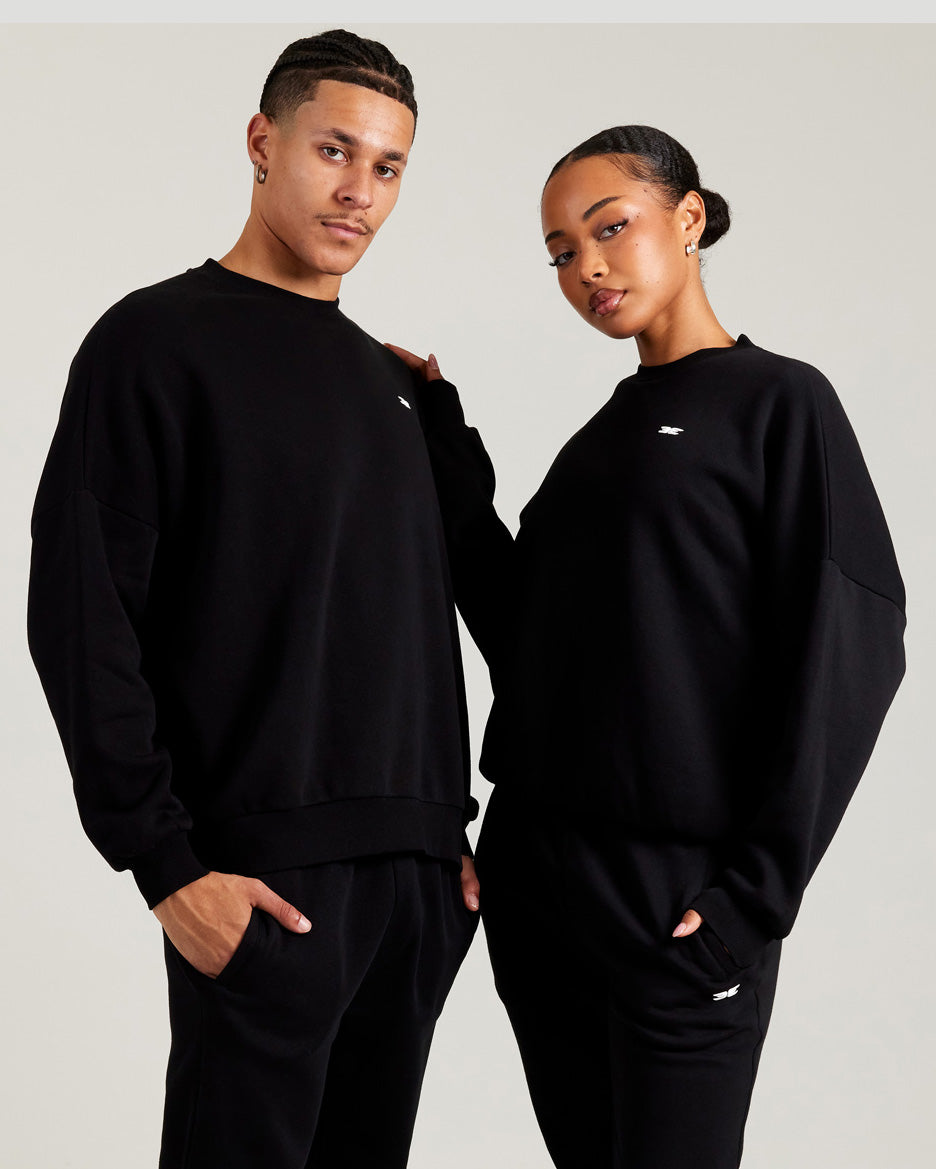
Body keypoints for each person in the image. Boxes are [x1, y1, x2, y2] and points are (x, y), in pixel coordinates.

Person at [390, 124, 906, 1169]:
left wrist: (752, 900)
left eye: (609, 228)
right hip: (540, 883)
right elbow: (528, 639)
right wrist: (444, 444)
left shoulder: (781, 402)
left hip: (675, 894)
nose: (586, 267)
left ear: (690, 217)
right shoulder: (605, 437)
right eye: (560, 253)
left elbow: (853, 648)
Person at [27, 29, 480, 1169]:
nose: (360, 190)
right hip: (263, 883)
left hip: (417, 886)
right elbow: (84, 613)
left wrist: (449, 849)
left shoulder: (393, 385)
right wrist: (166, 865)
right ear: (262, 141)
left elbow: (441, 615)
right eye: (335, 150)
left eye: (388, 166)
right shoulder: (153, 342)